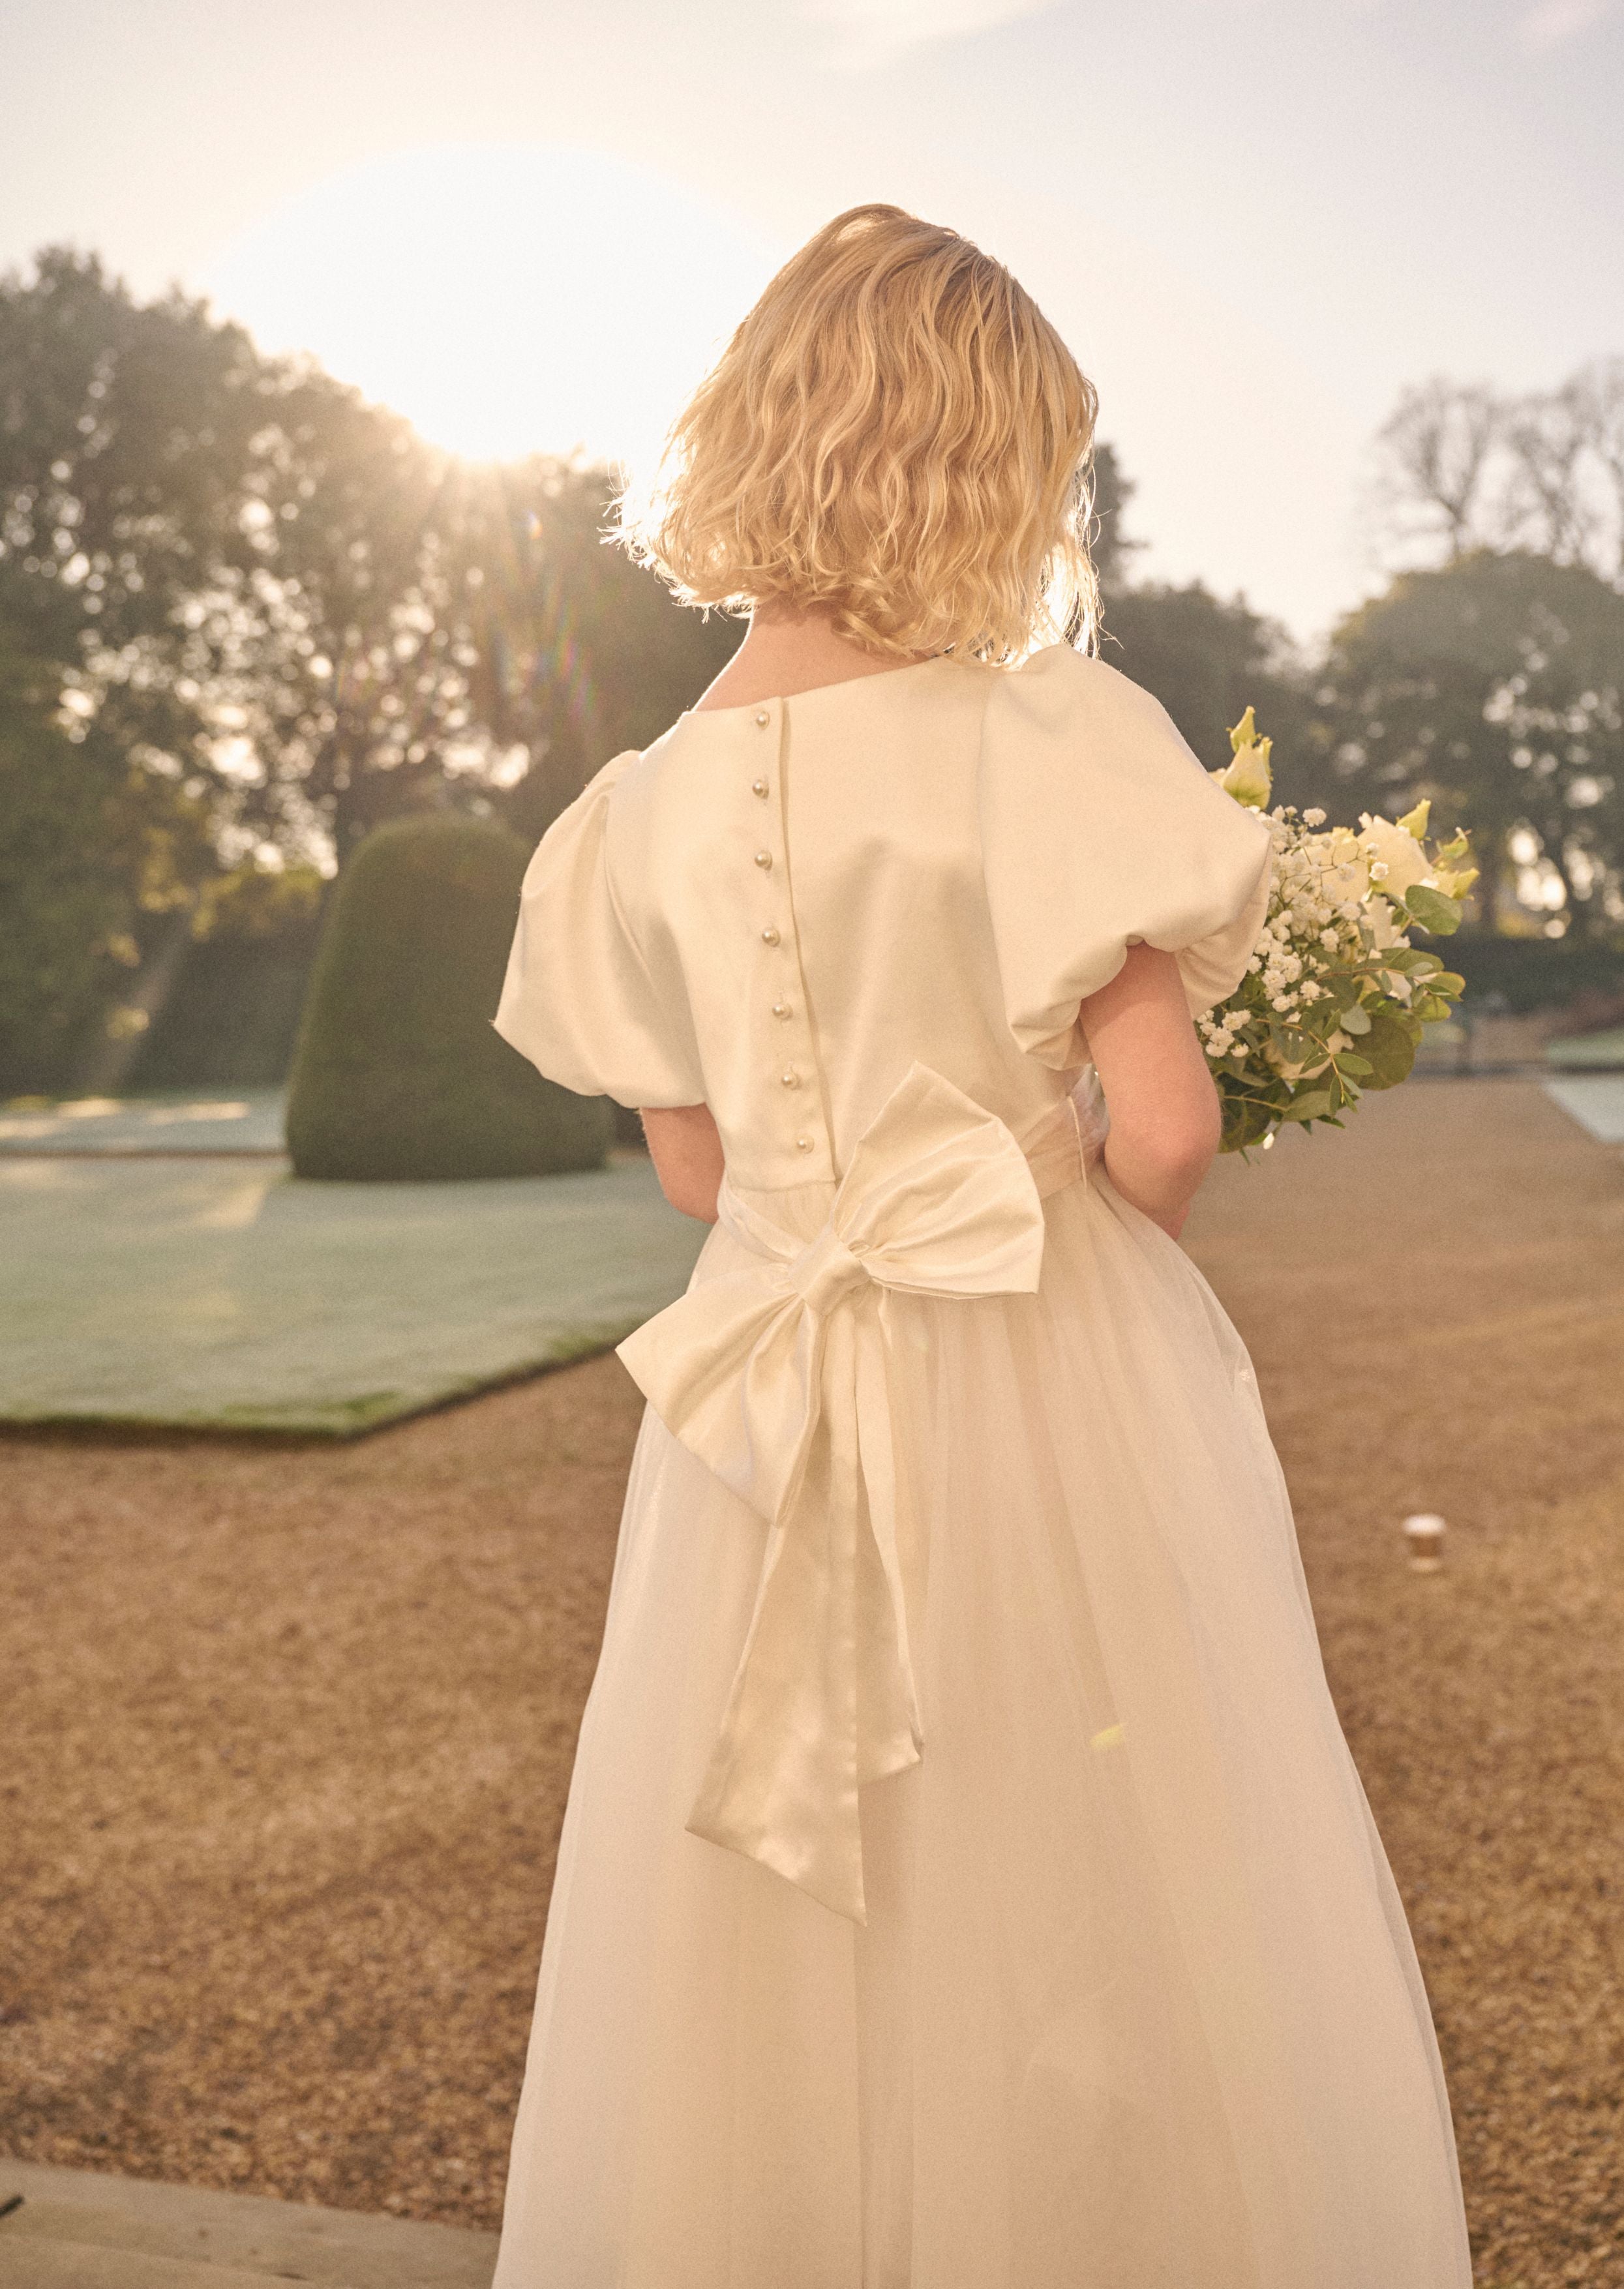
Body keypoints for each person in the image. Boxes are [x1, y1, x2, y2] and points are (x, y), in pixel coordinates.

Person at [489, 203, 1472, 2288]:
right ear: (990, 465)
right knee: (1090, 1848)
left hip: (757, 1400)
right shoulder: (1045, 737)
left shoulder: (625, 816)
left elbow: (692, 1180)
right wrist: (1066, 1183)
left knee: (776, 1900)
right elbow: (1169, 1132)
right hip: (1036, 1363)